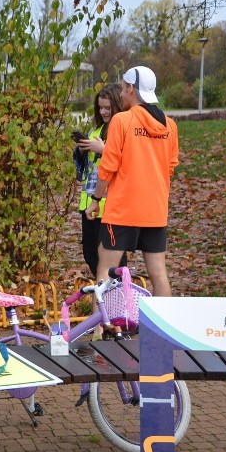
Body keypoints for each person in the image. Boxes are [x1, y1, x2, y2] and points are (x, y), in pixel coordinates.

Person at [85, 66, 179, 297]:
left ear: (131, 90)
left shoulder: (122, 120)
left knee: (104, 272)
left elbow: (107, 167)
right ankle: (162, 332)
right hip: (155, 209)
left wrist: (96, 199)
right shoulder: (169, 125)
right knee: (158, 273)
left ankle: (101, 328)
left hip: (123, 210)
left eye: (125, 89)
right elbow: (170, 167)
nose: (123, 95)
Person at [73, 83, 127, 279]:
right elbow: (84, 167)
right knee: (91, 256)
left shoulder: (123, 129)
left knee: (114, 262)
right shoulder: (96, 131)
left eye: (107, 108)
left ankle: (118, 300)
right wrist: (81, 150)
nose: (103, 112)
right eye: (100, 107)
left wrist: (104, 150)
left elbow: (129, 162)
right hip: (89, 204)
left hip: (112, 206)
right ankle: (104, 300)